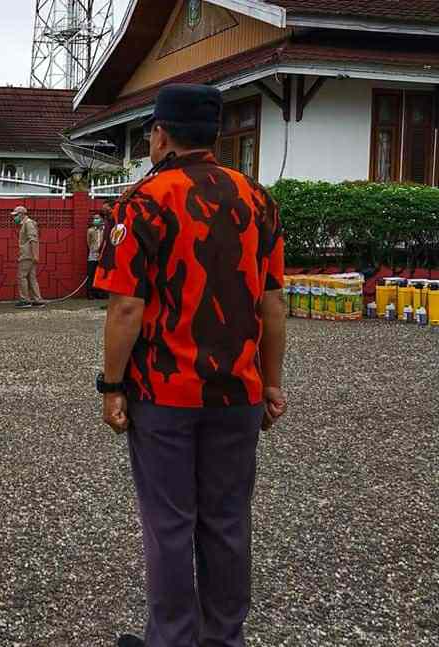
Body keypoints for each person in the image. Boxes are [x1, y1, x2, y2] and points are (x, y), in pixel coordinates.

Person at [94, 84, 287, 647]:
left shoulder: (145, 201)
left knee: (171, 523)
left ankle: (172, 639)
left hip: (165, 395)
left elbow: (126, 305)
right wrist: (271, 383)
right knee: (228, 522)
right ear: (215, 134)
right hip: (239, 393)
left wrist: (111, 385)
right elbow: (273, 302)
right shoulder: (258, 200)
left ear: (160, 133)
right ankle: (224, 638)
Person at [13, 205, 45, 308]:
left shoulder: (28, 223)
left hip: (27, 255)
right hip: (29, 255)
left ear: (22, 214)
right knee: (31, 277)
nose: (14, 217)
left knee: (21, 276)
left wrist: (35, 255)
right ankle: (37, 299)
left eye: (16, 215)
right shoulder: (26, 224)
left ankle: (25, 300)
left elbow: (33, 240)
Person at [87, 209, 107, 300]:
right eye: (94, 218)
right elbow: (88, 242)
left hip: (103, 255)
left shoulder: (105, 230)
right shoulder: (90, 230)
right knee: (91, 274)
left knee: (101, 275)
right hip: (93, 255)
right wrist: (94, 251)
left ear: (102, 219)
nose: (95, 220)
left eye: (97, 218)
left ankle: (101, 293)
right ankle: (90, 293)